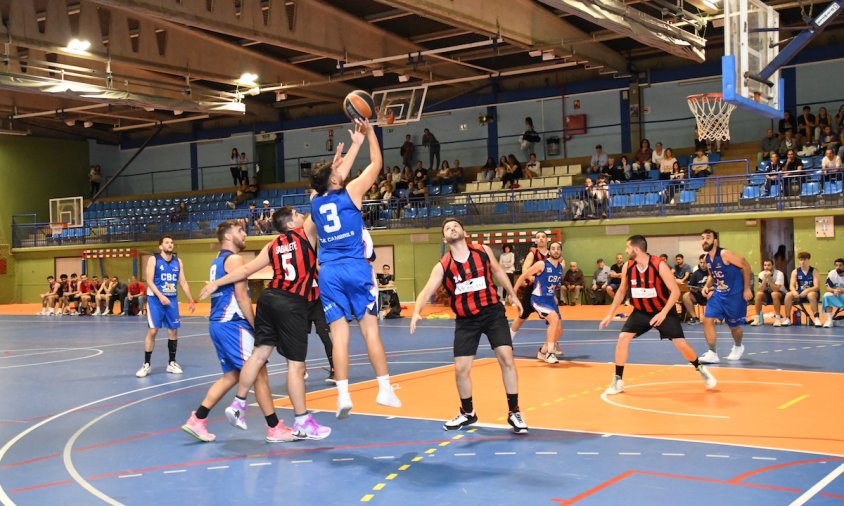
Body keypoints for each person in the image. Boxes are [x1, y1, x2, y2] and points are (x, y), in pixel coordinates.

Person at [199, 209, 332, 440]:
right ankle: (302, 421)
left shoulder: (273, 245)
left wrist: (216, 283)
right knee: (296, 366)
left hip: (268, 300)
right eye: (297, 214)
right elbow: (319, 205)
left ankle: (239, 404)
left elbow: (246, 270)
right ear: (291, 223)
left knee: (259, 354)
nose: (302, 216)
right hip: (291, 303)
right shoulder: (305, 234)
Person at [310, 119, 401, 418]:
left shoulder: (314, 201)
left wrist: (352, 148)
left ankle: (343, 395)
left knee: (340, 335)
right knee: (370, 331)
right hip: (355, 267)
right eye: (337, 172)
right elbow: (377, 163)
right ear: (335, 180)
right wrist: (370, 135)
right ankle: (385, 389)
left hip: (328, 272)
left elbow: (331, 181)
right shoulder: (351, 192)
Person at [183, 220, 300, 443]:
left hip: (218, 324)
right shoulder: (234, 259)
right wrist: (257, 327)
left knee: (233, 375)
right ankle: (274, 428)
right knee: (260, 373)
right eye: (240, 231)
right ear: (228, 236)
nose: (244, 234)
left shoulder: (217, 261)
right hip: (233, 323)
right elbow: (242, 296)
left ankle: (198, 419)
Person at [410, 218, 528, 434]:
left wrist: (513, 295)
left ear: (464, 231)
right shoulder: (443, 265)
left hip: (492, 312)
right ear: (444, 238)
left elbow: (499, 271)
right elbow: (427, 290)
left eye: (455, 226)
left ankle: (514, 412)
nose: (452, 229)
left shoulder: (482, 250)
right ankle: (467, 413)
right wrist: (417, 310)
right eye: (447, 228)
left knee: (506, 357)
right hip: (466, 320)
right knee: (461, 369)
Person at [599, 235, 716, 395]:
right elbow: (620, 291)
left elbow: (675, 292)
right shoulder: (628, 266)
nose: (626, 251)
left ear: (636, 249)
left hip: (663, 310)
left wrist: (663, 313)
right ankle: (618, 380)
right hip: (640, 311)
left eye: (627, 248)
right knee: (623, 338)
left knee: (680, 343)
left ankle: (700, 368)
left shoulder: (659, 265)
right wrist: (610, 314)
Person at [135, 235, 196, 378]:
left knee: (173, 330)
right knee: (153, 330)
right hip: (155, 300)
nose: (170, 244)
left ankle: (172, 363)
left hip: (172, 300)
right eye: (167, 242)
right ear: (160, 246)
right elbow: (149, 281)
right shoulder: (153, 259)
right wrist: (160, 296)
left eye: (172, 242)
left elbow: (183, 282)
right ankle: (146, 364)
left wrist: (191, 299)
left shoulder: (177, 262)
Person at [698, 229, 752, 364]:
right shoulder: (706, 258)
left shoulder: (724, 254)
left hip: (734, 296)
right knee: (707, 319)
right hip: (718, 295)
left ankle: (738, 346)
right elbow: (712, 274)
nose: (705, 240)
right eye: (702, 238)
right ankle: (712, 353)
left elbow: (745, 266)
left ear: (715, 240)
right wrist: (706, 285)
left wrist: (746, 289)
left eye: (708, 237)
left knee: (734, 327)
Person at [514, 241, 565, 364]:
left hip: (550, 300)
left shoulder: (560, 267)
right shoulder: (541, 264)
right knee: (553, 318)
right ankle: (550, 353)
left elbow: (552, 285)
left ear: (561, 251)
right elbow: (523, 276)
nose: (556, 250)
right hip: (538, 299)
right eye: (553, 248)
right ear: (549, 251)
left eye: (558, 248)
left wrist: (554, 296)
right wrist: (513, 293)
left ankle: (542, 351)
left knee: (559, 331)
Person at [509, 232, 550, 338]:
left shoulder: (552, 254)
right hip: (532, 289)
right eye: (538, 237)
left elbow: (560, 265)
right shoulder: (533, 253)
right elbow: (525, 269)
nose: (541, 239)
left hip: (546, 290)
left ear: (547, 240)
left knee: (552, 318)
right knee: (522, 316)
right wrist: (533, 278)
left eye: (543, 237)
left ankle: (552, 345)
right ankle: (508, 340)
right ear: (535, 241)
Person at [782, 251, 822, 327]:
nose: (802, 261)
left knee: (810, 295)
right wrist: (794, 292)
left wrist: (807, 290)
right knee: (788, 294)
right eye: (801, 259)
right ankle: (787, 318)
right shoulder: (795, 271)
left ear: (808, 260)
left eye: (804, 259)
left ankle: (816, 318)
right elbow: (791, 286)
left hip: (812, 292)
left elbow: (816, 287)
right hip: (800, 292)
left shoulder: (814, 271)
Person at [750, 259, 786, 327]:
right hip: (767, 293)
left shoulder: (779, 274)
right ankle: (757, 318)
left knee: (774, 294)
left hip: (780, 294)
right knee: (758, 294)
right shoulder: (761, 274)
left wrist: (769, 278)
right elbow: (760, 289)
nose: (766, 267)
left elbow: (776, 289)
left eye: (769, 265)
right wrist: (764, 279)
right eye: (765, 265)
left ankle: (777, 318)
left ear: (773, 266)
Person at [682, 254, 709, 324]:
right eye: (701, 263)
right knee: (686, 296)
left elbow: (717, 286)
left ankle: (711, 317)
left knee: (712, 294)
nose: (703, 264)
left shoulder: (712, 272)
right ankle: (694, 317)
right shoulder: (695, 273)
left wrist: (706, 289)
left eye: (705, 263)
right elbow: (691, 286)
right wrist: (693, 289)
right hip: (698, 295)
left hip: (709, 294)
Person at [821, 258, 844, 328]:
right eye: (836, 265)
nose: (838, 267)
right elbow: (828, 288)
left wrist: (842, 291)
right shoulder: (831, 274)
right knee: (826, 295)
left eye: (840, 265)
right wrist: (834, 290)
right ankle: (829, 320)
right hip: (837, 294)